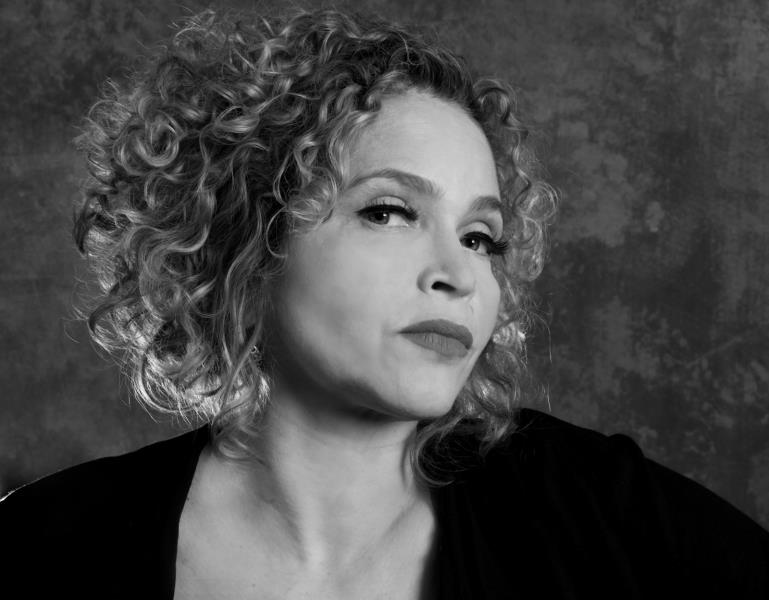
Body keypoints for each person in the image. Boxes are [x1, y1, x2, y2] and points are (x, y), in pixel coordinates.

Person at [1, 7, 768, 600]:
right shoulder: (47, 546)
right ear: (245, 240)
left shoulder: (599, 513)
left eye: (480, 237)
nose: (458, 275)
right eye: (389, 212)